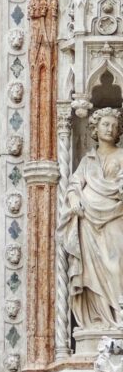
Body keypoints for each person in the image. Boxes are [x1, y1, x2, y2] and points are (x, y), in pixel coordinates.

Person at [59, 107, 123, 329]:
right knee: (91, 270)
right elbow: (74, 185)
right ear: (95, 128)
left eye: (114, 126)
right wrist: (74, 198)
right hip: (87, 219)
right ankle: (98, 319)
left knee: (116, 265)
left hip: (115, 215)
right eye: (105, 124)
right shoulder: (88, 159)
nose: (110, 129)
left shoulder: (122, 155)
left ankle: (118, 315)